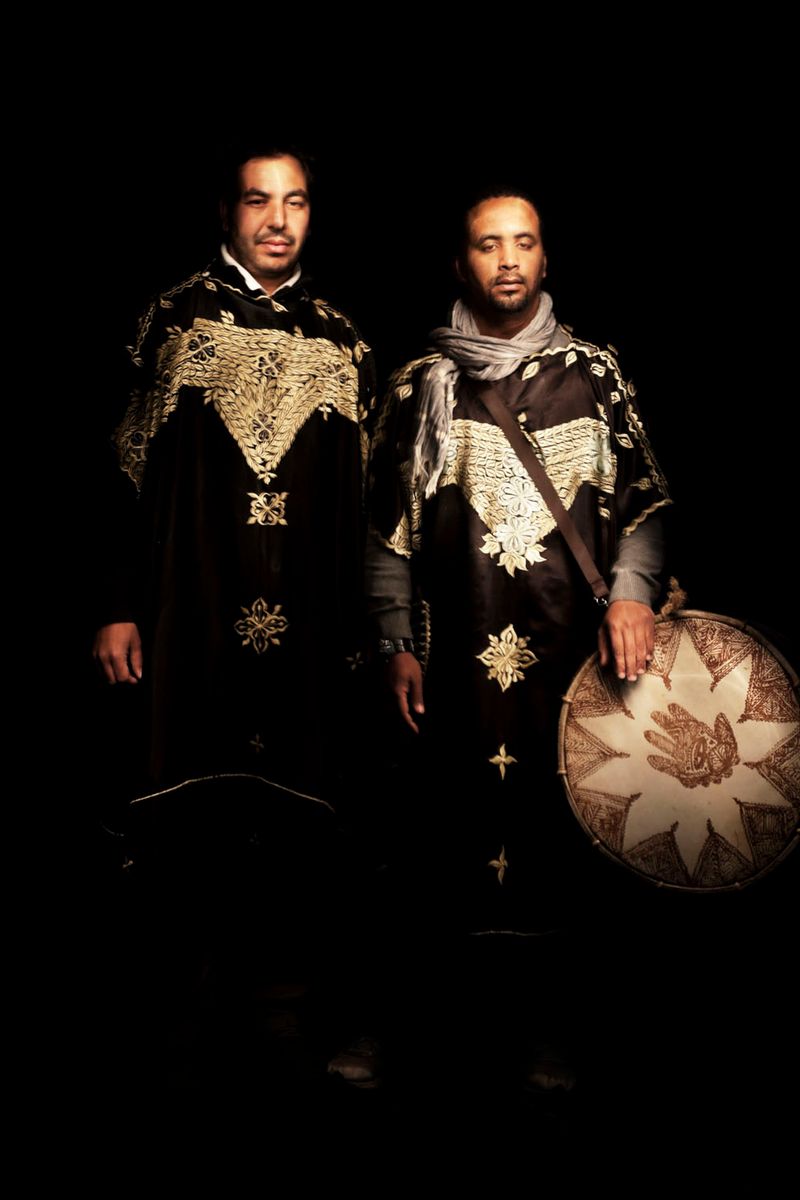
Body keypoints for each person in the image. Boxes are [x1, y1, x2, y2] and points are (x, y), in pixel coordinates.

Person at [364, 185, 671, 1090]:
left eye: (523, 243)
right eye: (488, 245)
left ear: (545, 260)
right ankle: (427, 1042)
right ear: (462, 264)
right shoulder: (420, 384)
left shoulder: (596, 372)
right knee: (437, 839)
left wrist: (631, 595)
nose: (507, 260)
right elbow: (384, 531)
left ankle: (555, 1039)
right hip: (453, 663)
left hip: (575, 665)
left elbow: (646, 502)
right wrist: (394, 642)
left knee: (562, 840)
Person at [92, 145, 375, 1077]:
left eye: (296, 202)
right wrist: (119, 604)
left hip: (306, 615)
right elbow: (124, 472)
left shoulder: (339, 337)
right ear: (227, 211)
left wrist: (366, 626)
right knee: (188, 792)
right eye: (260, 201)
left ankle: (280, 994)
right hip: (192, 608)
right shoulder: (174, 316)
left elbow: (363, 502)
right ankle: (182, 991)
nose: (279, 220)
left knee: (295, 796)